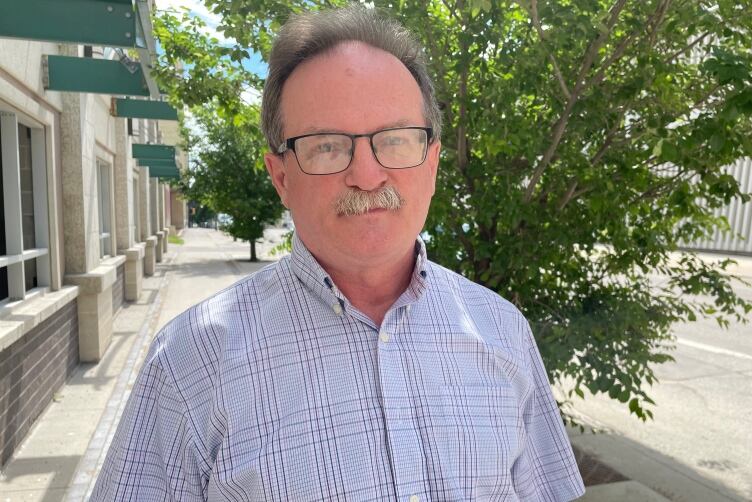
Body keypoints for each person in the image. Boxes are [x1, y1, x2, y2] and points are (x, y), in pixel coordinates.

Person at [92, 5, 585, 501]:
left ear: (432, 164)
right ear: (281, 177)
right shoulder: (189, 363)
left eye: (394, 140)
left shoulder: (503, 330)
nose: (368, 176)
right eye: (327, 146)